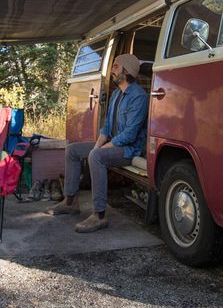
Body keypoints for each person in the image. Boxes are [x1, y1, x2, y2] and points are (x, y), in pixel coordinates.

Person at [48, 53, 149, 233]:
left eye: (116, 66)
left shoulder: (139, 97)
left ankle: (99, 215)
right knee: (72, 150)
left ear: (126, 71)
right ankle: (70, 202)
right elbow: (107, 126)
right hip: (112, 144)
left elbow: (130, 134)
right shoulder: (116, 94)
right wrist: (97, 146)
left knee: (96, 157)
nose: (112, 70)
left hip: (129, 149)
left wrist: (99, 150)